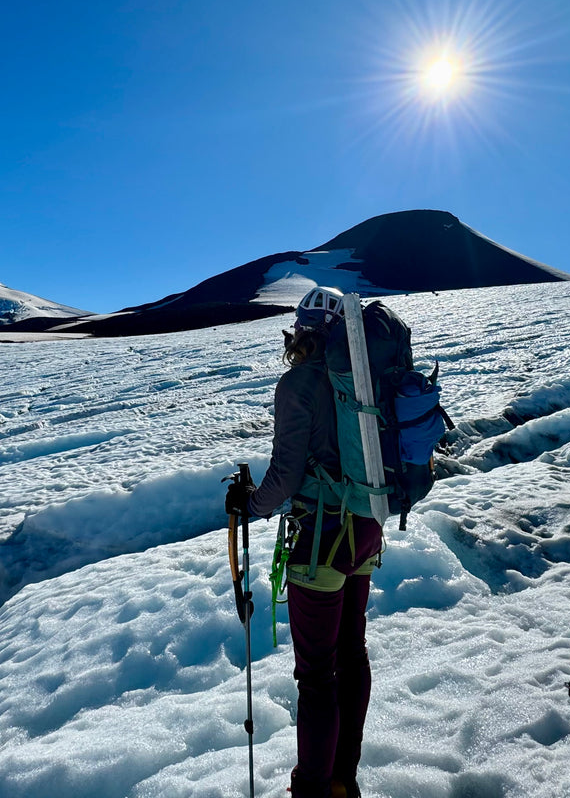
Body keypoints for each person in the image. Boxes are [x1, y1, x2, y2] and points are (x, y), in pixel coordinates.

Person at [225, 286, 382, 798]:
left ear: (301, 332)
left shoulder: (298, 383)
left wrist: (250, 504)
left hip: (321, 540)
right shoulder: (365, 375)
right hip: (366, 530)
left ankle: (312, 791)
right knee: (352, 655)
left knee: (317, 677)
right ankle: (342, 780)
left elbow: (286, 475)